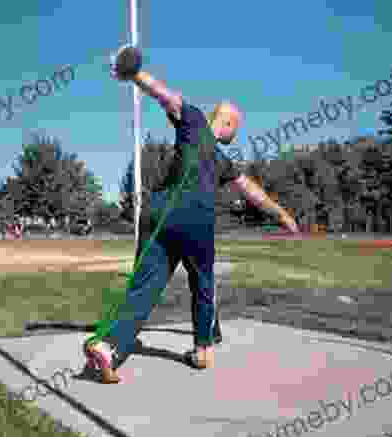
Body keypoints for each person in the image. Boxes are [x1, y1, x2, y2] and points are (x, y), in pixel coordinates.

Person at [83, 47, 300, 383]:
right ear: (226, 123)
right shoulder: (200, 124)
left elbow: (167, 99)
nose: (234, 135)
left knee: (144, 287)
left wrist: (134, 76)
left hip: (156, 213)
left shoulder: (207, 144)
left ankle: (109, 348)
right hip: (193, 217)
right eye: (235, 128)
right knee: (203, 282)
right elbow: (170, 98)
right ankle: (202, 348)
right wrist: (284, 216)